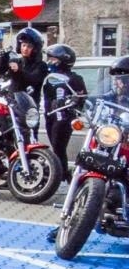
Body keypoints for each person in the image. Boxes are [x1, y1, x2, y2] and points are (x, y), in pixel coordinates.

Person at [42, 44, 88, 178]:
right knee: (55, 146)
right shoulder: (49, 76)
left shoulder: (75, 78)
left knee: (59, 147)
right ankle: (61, 173)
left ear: (62, 61)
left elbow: (81, 98)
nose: (50, 62)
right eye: (50, 59)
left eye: (53, 59)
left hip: (64, 117)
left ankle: (61, 174)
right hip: (50, 115)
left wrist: (73, 101)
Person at [0, 27, 48, 102]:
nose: (25, 49)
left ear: (35, 49)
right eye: (23, 45)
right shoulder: (16, 61)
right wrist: (3, 59)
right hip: (12, 102)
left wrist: (17, 70)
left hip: (30, 104)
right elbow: (1, 73)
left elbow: (32, 79)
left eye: (29, 46)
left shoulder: (41, 65)